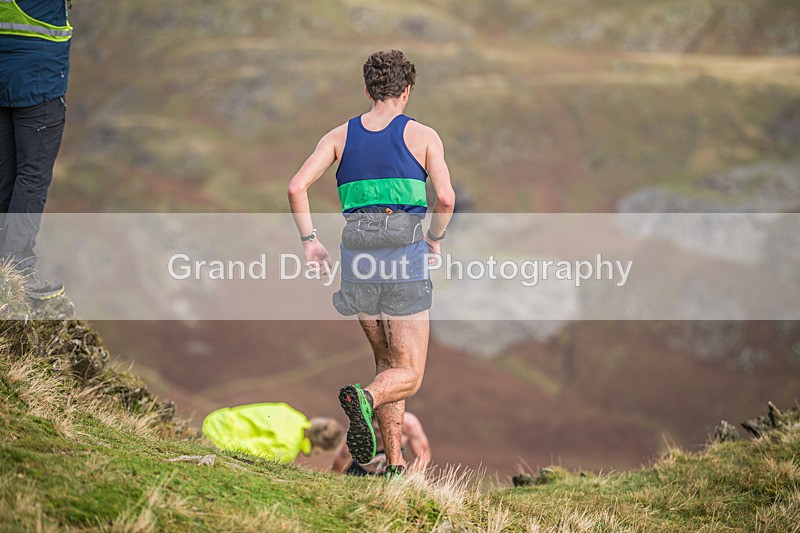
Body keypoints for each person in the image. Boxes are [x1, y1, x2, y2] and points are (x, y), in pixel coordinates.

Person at [288, 49, 455, 479]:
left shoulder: (339, 137)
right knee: (408, 374)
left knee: (387, 363)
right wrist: (434, 239)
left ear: (367, 90)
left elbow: (296, 187)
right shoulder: (423, 136)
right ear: (407, 91)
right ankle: (364, 399)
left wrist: (310, 244)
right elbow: (446, 199)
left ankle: (395, 467)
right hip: (402, 258)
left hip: (356, 257)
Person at [0, 0, 73, 300]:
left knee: (6, 176)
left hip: (5, 80)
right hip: (39, 85)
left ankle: (5, 269)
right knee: (32, 178)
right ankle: (17, 270)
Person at [202, 402, 344, 464]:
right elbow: (244, 451)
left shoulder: (290, 413)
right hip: (215, 435)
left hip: (218, 419)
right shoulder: (287, 449)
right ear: (319, 446)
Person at [331, 411, 431, 476]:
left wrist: (409, 477)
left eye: (386, 431)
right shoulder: (359, 426)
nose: (380, 435)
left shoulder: (409, 425)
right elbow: (341, 460)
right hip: (357, 470)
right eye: (376, 430)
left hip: (390, 471)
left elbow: (424, 456)